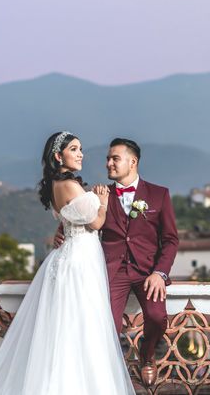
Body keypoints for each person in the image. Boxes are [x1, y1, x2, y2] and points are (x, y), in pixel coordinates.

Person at [0, 131, 135, 395]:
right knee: (79, 329)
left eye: (80, 149)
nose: (80, 154)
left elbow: (69, 219)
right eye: (74, 149)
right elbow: (96, 223)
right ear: (58, 155)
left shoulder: (58, 183)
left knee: (65, 329)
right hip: (78, 262)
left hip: (72, 257)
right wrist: (102, 203)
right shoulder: (70, 185)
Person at [54, 137, 179, 386]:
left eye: (115, 158)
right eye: (108, 158)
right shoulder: (98, 194)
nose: (108, 163)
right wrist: (60, 231)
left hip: (147, 274)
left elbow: (171, 240)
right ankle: (110, 374)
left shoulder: (159, 194)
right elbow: (76, 217)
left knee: (157, 317)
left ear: (132, 162)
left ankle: (146, 356)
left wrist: (160, 273)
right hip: (110, 272)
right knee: (105, 326)